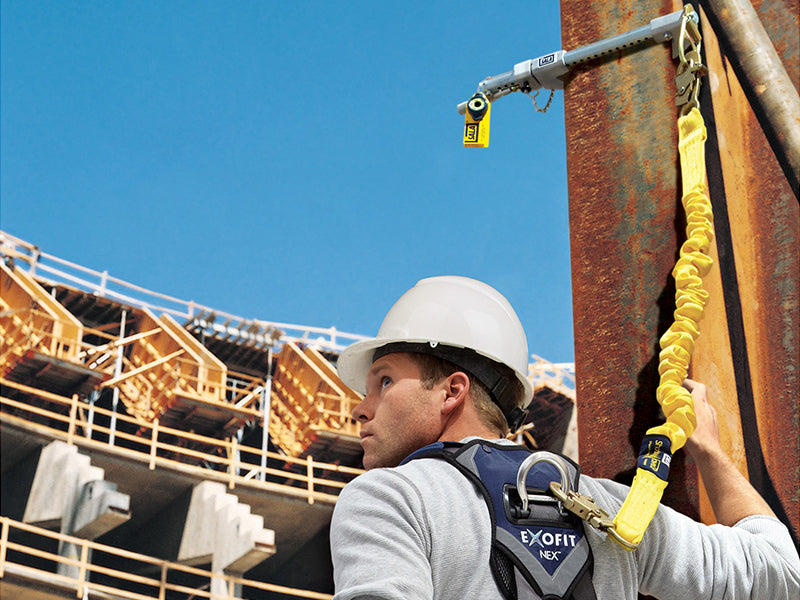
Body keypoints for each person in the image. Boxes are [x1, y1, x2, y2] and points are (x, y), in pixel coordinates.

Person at [329, 276, 799, 599]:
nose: (360, 407)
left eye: (384, 381)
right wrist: (711, 454)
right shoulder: (617, 515)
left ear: (453, 391)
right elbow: (781, 576)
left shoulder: (389, 499)